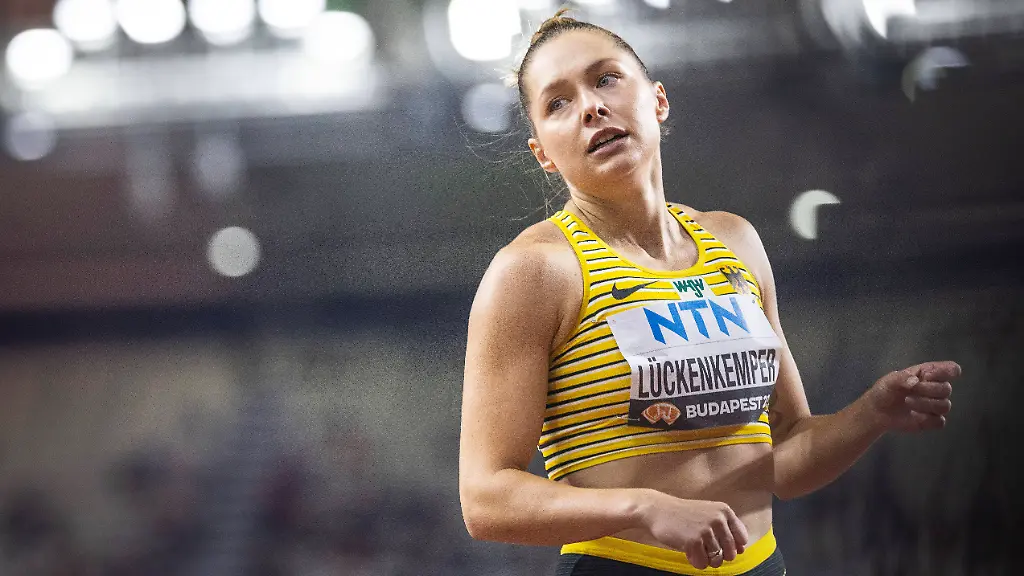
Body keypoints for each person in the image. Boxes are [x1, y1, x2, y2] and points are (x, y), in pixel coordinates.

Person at [458, 10, 960, 576]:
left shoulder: (734, 242)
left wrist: (871, 413)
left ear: (658, 100)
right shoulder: (535, 271)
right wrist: (645, 508)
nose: (591, 107)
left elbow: (787, 453)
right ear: (543, 153)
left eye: (606, 78)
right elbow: (486, 499)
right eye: (558, 103)